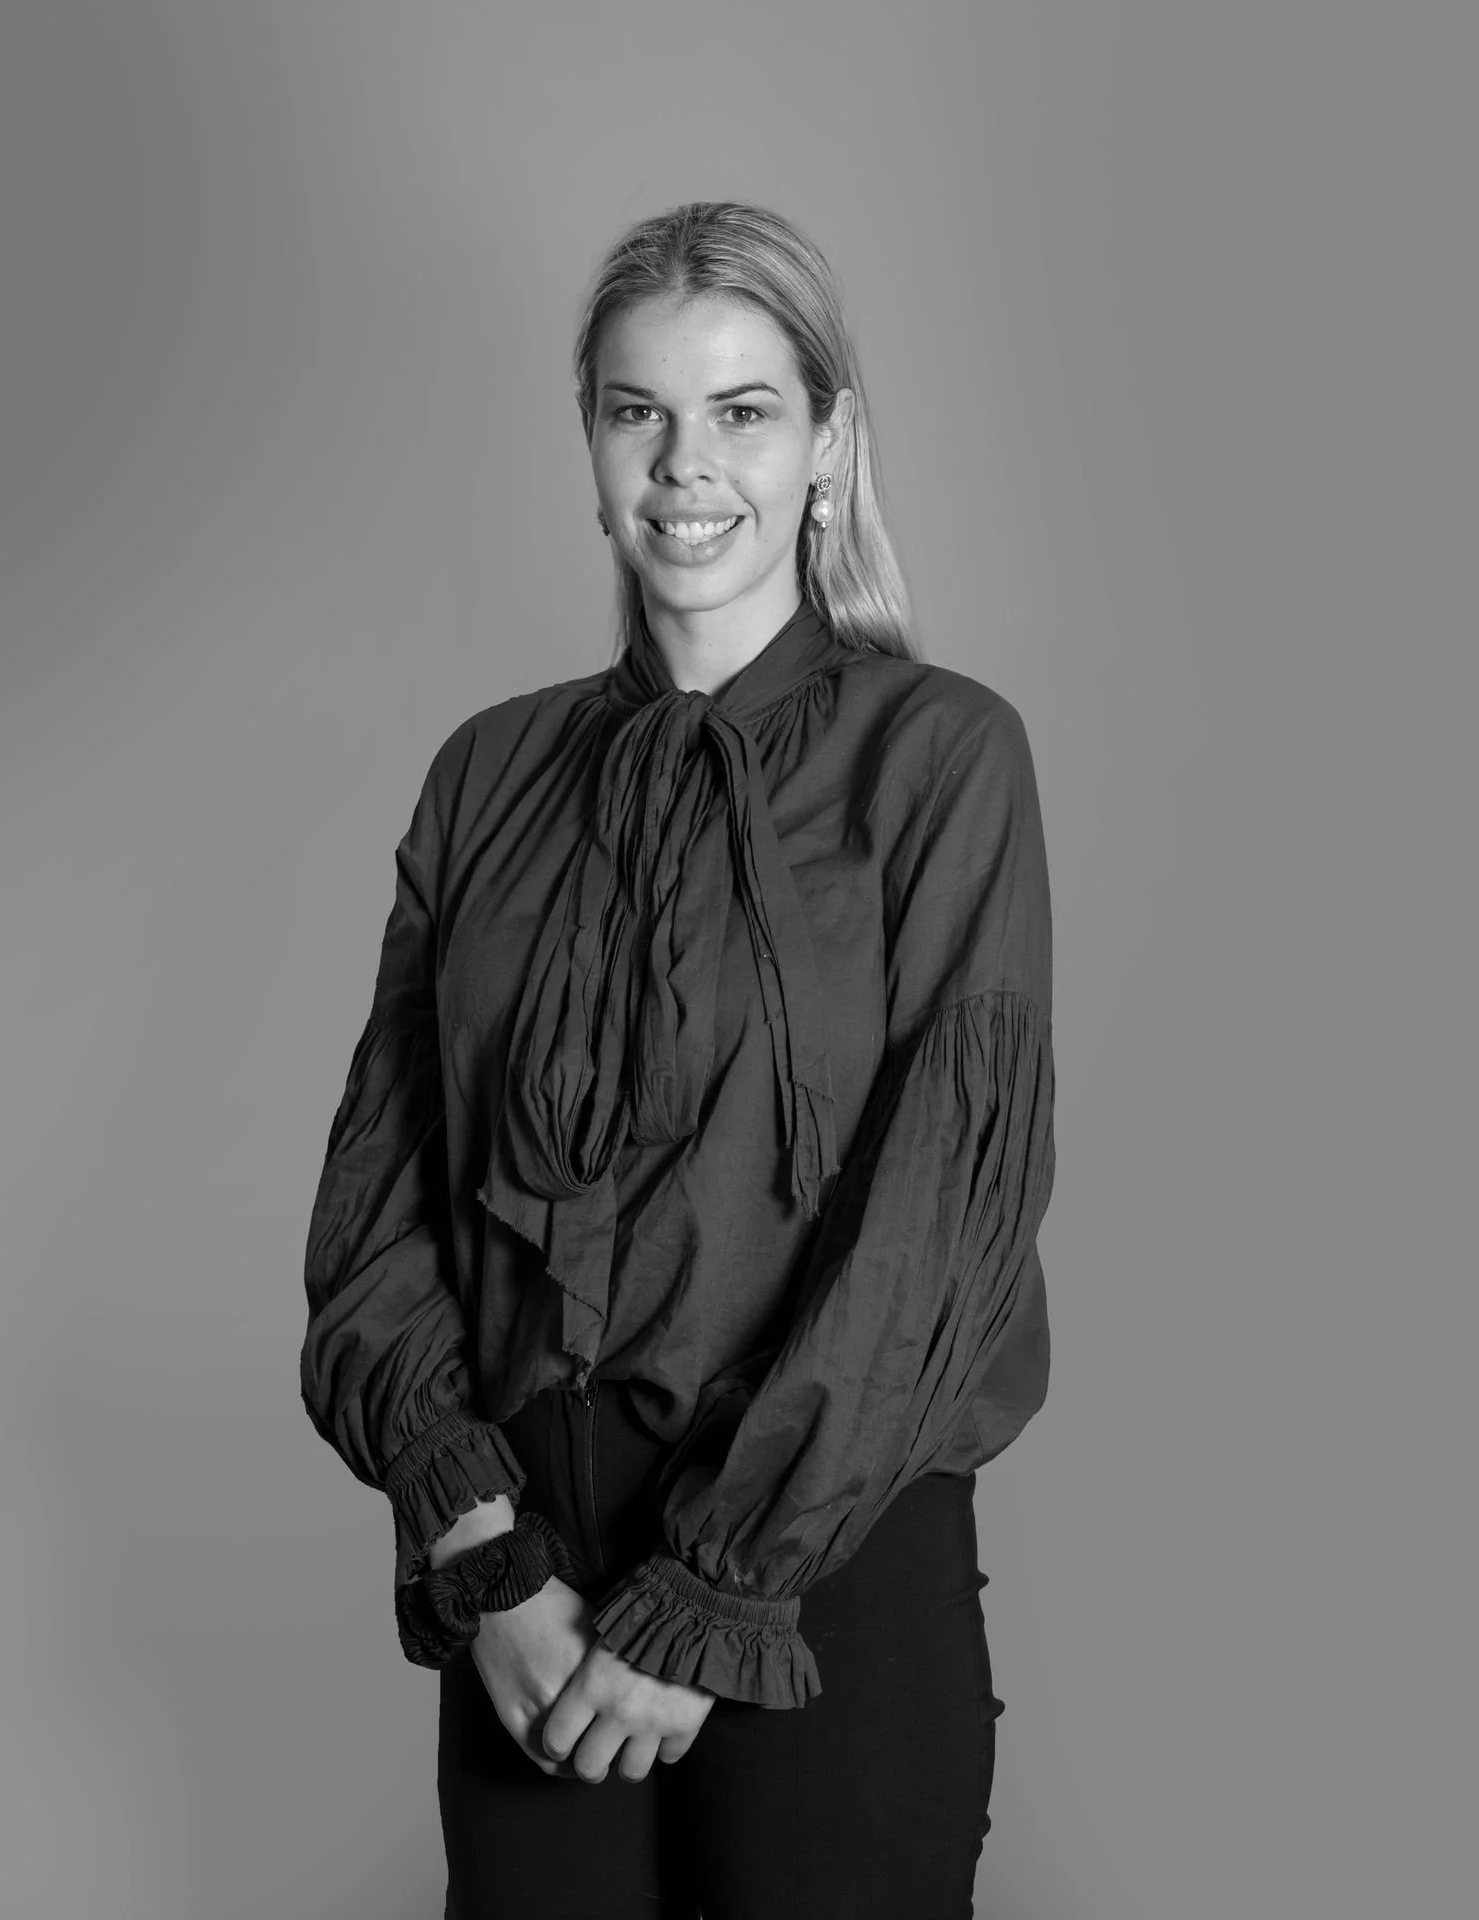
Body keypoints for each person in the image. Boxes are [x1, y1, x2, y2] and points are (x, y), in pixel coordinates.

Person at [301, 200, 1056, 1920]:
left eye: (743, 411)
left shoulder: (943, 758)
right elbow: (379, 1198)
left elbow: (943, 1222)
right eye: (637, 409)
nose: (684, 464)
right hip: (527, 1576)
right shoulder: (485, 776)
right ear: (588, 440)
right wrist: (479, 1549)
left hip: (823, 1563)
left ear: (828, 443)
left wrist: (716, 1589)